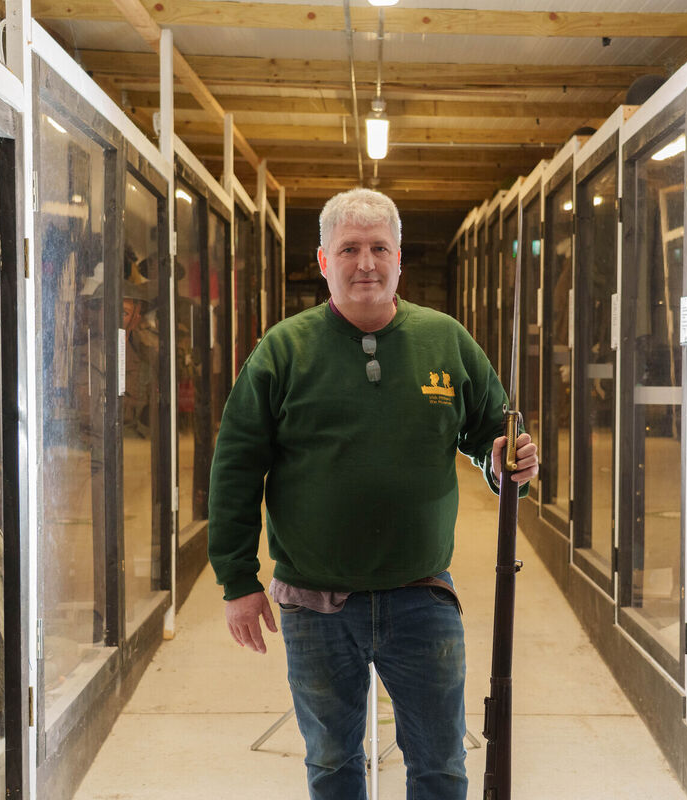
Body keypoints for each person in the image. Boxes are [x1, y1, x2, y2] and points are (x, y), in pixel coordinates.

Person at [208, 188, 538, 800]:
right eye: (350, 248)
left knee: (440, 765)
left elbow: (492, 432)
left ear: (400, 259)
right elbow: (235, 466)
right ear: (324, 261)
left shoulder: (446, 341)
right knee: (333, 765)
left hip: (422, 597)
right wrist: (238, 580)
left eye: (379, 247)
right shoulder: (283, 350)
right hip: (314, 603)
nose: (366, 262)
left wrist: (506, 460)